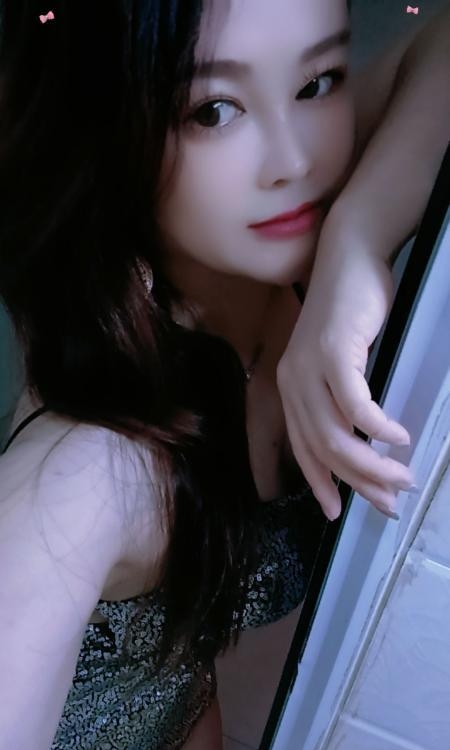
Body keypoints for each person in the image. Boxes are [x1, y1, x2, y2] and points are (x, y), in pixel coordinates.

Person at [1, 0, 448, 747]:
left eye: (316, 82)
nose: (296, 161)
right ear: (107, 135)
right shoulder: (86, 472)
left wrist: (357, 241)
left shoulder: (289, 238)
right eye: (214, 110)